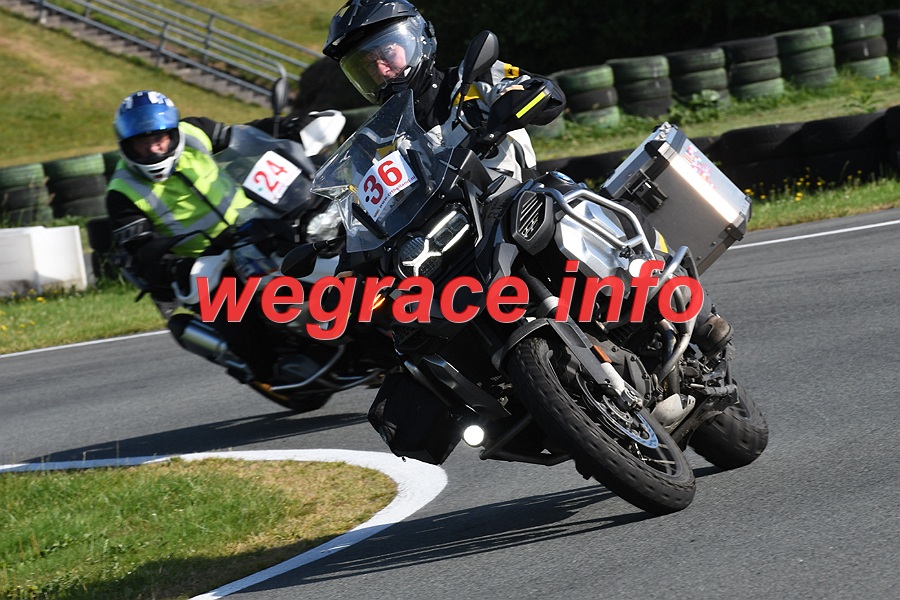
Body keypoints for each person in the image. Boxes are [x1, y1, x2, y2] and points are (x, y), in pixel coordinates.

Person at [105, 90, 309, 382]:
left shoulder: (194, 131)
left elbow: (244, 136)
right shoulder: (122, 191)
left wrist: (289, 126)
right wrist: (178, 268)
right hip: (210, 263)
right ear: (126, 145)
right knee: (239, 323)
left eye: (159, 138)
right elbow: (141, 250)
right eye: (142, 142)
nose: (153, 149)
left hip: (257, 226)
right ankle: (276, 376)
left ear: (173, 133)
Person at [321, 0, 566, 181]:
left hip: (524, 205)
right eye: (368, 65)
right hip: (451, 233)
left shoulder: (476, 76)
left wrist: (517, 99)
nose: (381, 69)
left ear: (417, 40)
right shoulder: (377, 140)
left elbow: (549, 95)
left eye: (387, 53)